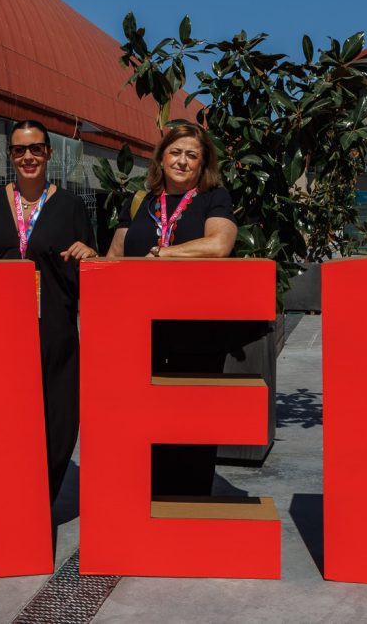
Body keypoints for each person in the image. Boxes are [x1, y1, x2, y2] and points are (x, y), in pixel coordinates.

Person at [0, 119, 98, 513]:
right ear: (10, 155)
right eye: (19, 150)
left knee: (55, 416)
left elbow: (89, 270)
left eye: (36, 148)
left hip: (52, 333)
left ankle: (34, 501)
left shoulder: (69, 207)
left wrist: (89, 255)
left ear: (49, 153)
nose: (28, 156)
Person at [107, 122, 239, 496]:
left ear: (203, 163)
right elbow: (115, 257)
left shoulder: (214, 198)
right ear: (161, 158)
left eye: (192, 155)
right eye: (175, 152)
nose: (182, 161)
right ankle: (141, 501)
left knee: (192, 422)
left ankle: (188, 505)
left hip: (195, 334)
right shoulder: (140, 202)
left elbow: (218, 245)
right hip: (139, 333)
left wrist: (163, 253)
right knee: (140, 421)